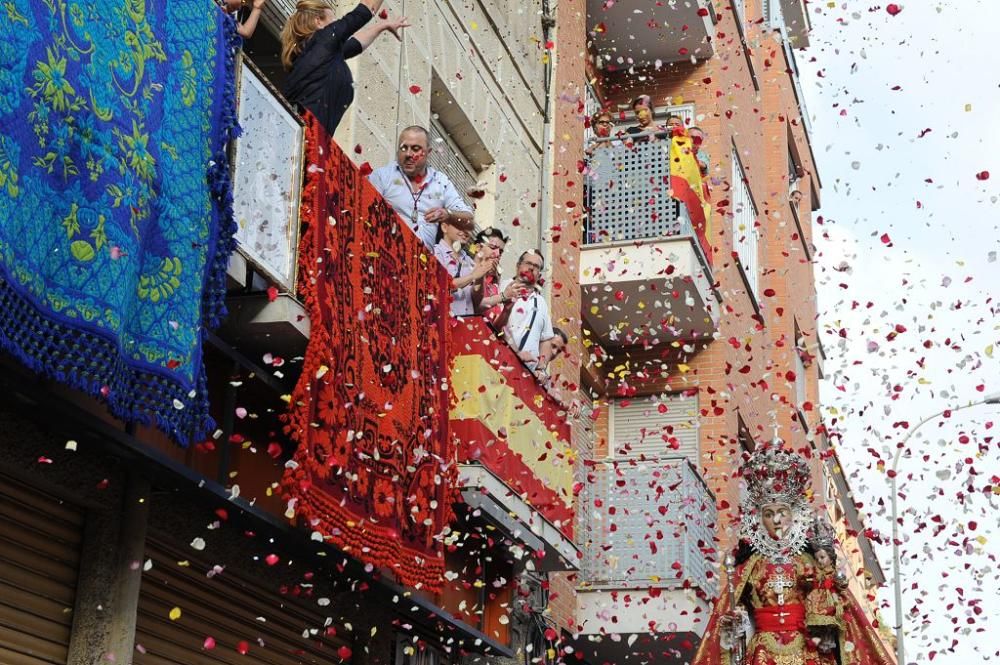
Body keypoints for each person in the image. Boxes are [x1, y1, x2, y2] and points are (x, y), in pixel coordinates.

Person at [692, 447, 896, 665]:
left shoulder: (810, 562)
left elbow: (836, 609)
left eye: (782, 512)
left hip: (807, 650)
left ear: (794, 514)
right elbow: (737, 612)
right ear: (759, 519)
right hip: (763, 652)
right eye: (769, 514)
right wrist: (736, 623)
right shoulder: (750, 566)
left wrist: (828, 611)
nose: (777, 520)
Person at [281, 0, 410, 136]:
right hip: (307, 135)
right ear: (318, 22)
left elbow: (355, 44)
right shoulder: (323, 40)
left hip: (308, 136)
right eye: (334, 21)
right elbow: (362, 12)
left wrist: (382, 26)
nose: (338, 25)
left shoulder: (318, 55)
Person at [368, 126, 475, 249]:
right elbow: (366, 212)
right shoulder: (382, 176)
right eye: (404, 148)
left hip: (422, 263)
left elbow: (469, 219)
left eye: (415, 149)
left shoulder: (440, 181)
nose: (408, 154)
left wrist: (448, 214)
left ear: (428, 152)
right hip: (386, 253)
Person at [493, 250, 555, 370]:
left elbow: (546, 339)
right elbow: (494, 326)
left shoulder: (541, 302)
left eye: (536, 266)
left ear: (539, 275)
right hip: (500, 364)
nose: (531, 268)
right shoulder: (502, 288)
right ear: (518, 266)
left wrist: (541, 367)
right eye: (528, 263)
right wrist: (516, 354)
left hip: (528, 376)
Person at [433, 218, 494, 317]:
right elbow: (439, 287)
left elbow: (476, 301)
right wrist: (472, 276)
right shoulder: (435, 252)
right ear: (444, 227)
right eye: (460, 225)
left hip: (466, 326)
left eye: (470, 228)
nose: (466, 231)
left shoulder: (469, 261)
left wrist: (480, 276)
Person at [471, 227, 508, 321]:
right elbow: (474, 307)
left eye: (501, 251)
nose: (497, 254)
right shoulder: (465, 271)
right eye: (493, 248)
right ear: (478, 248)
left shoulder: (494, 282)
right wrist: (503, 296)